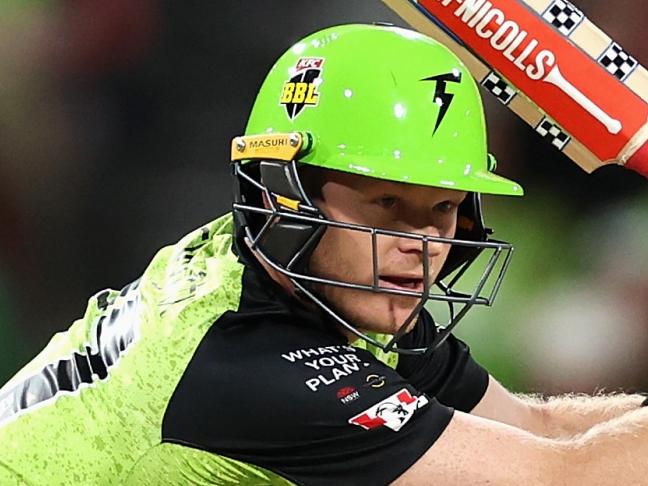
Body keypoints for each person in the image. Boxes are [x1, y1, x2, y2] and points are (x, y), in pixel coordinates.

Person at [0, 23, 646, 486]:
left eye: (443, 209)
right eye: (386, 204)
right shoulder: (247, 368)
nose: (420, 247)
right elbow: (561, 474)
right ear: (284, 196)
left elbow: (539, 429)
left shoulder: (326, 277)